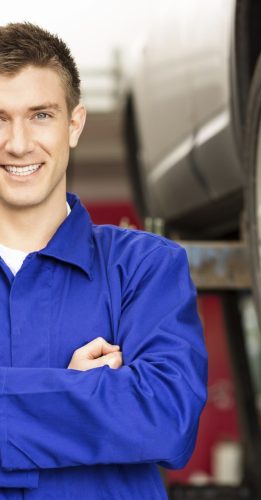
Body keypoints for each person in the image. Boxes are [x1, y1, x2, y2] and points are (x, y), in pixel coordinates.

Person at [0, 22, 207, 499]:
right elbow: (134, 411)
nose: (18, 143)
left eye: (41, 115)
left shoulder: (145, 268)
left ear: (74, 125)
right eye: (1, 118)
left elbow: (167, 419)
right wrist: (72, 392)